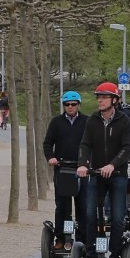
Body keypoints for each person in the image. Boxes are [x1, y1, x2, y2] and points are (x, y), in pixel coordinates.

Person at [76, 82, 130, 258]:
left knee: (117, 218)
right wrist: (83, 164)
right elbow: (85, 144)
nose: (99, 100)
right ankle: (92, 257)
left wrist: (112, 165)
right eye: (98, 97)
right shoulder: (93, 120)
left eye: (104, 97)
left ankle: (115, 256)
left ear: (114, 100)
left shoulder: (124, 121)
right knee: (90, 215)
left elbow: (126, 148)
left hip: (117, 175)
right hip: (96, 175)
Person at [43, 91, 88, 246]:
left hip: (81, 169)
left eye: (73, 104)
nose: (70, 107)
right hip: (62, 169)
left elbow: (93, 145)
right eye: (67, 104)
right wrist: (51, 158)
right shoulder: (56, 122)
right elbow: (47, 143)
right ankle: (61, 238)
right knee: (62, 205)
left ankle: (82, 239)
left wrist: (88, 162)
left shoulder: (86, 122)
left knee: (82, 205)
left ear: (78, 105)